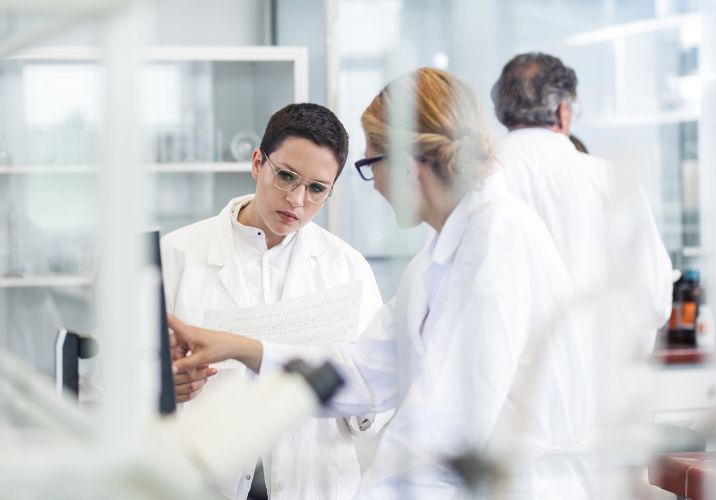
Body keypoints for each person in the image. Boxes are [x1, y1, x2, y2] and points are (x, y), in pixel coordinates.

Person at [170, 68, 596, 499]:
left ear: (409, 167)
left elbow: (444, 431)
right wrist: (243, 348)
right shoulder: (441, 253)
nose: (374, 187)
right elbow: (362, 371)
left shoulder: (496, 244)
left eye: (370, 166)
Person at [161, 103, 388, 500]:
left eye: (317, 189)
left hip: (312, 481)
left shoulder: (347, 268)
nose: (297, 200)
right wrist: (165, 384)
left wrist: (360, 391)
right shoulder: (176, 255)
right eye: (286, 176)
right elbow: (121, 381)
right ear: (256, 163)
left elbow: (376, 402)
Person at [490, 52, 672, 351]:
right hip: (597, 377)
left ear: (502, 111)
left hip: (506, 382)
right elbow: (652, 297)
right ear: (563, 111)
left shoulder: (474, 179)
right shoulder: (608, 179)